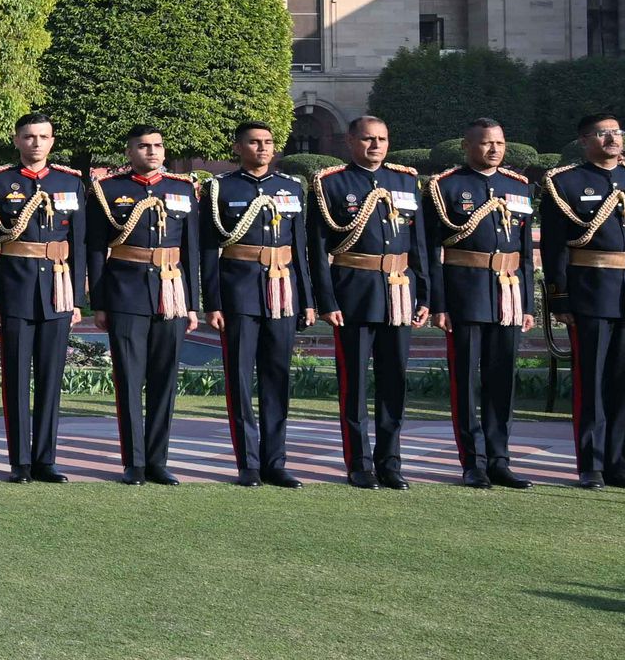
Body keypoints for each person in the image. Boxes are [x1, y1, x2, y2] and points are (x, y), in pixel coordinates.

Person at [305, 115, 428, 489]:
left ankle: (391, 462)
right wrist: (326, 300)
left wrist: (425, 294)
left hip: (399, 292)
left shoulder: (405, 180)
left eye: (382, 139)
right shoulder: (331, 183)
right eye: (368, 139)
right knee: (354, 383)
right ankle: (359, 463)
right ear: (350, 141)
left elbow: (419, 245)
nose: (376, 146)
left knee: (395, 382)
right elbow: (317, 249)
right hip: (354, 293)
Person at [540, 111, 625, 490]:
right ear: (584, 140)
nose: (612, 139)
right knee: (591, 382)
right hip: (589, 292)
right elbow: (555, 246)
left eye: (617, 132)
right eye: (602, 133)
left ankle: (620, 465)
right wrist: (560, 298)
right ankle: (590, 465)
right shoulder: (565, 181)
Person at [0, 110, 84, 483]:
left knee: (51, 378)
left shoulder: (71, 182)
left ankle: (45, 459)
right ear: (17, 140)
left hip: (57, 290)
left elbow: (79, 244)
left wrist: (77, 299)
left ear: (52, 141)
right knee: (16, 378)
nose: (36, 143)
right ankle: (19, 461)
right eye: (29, 136)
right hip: (15, 289)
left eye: (43, 136)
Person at [85, 125, 203, 484]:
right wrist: (99, 303)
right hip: (126, 293)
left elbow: (191, 250)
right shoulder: (108, 190)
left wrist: (192, 304)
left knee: (165, 380)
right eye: (143, 146)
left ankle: (157, 461)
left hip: (171, 293)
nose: (152, 151)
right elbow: (95, 250)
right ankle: (133, 462)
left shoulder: (182, 189)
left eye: (157, 145)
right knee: (129, 379)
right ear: (129, 152)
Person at [427, 118, 540, 489]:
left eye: (500, 143)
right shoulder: (445, 186)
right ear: (467, 145)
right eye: (486, 143)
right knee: (466, 381)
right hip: (465, 293)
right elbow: (431, 252)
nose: (495, 149)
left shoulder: (518, 186)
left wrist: (527, 304)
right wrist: (439, 303)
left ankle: (499, 459)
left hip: (508, 294)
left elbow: (525, 253)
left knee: (502, 380)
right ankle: (472, 462)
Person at [202, 121, 308, 487]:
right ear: (237, 147)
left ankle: (275, 462)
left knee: (277, 378)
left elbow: (300, 249)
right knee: (240, 379)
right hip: (239, 292)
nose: (262, 148)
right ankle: (247, 463)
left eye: (268, 142)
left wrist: (307, 299)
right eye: (254, 142)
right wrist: (212, 302)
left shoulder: (291, 187)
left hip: (282, 292)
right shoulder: (220, 187)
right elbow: (208, 250)